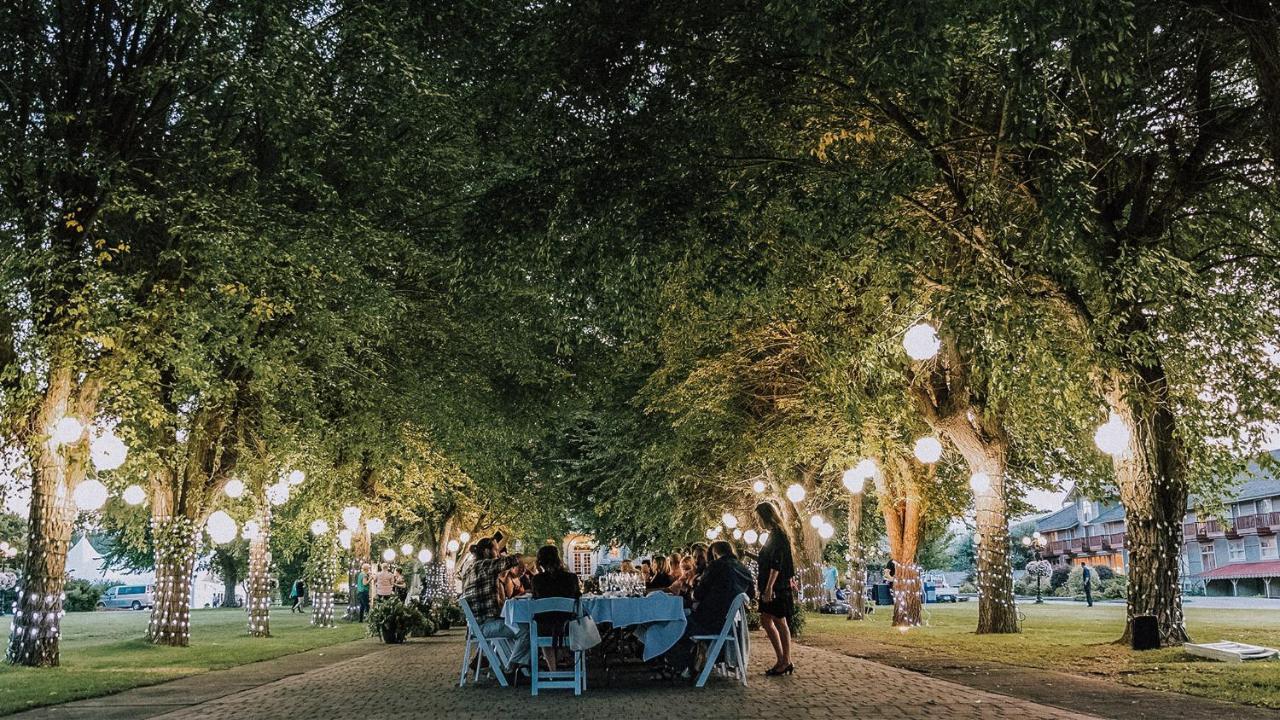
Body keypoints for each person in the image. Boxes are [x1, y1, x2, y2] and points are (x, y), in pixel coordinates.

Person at [667, 540, 754, 677]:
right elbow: (752, 595)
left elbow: (698, 594)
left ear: (714, 553)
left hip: (710, 621)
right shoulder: (744, 569)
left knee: (677, 623)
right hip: (731, 623)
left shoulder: (716, 566)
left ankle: (680, 666)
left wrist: (691, 592)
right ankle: (690, 665)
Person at [461, 537, 521, 669]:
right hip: (485, 625)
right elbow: (511, 560)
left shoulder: (470, 569)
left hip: (476, 625)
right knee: (526, 629)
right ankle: (514, 668)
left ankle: (512, 665)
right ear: (487, 551)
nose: (499, 553)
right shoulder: (484, 565)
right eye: (496, 550)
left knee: (516, 627)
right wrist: (521, 556)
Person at [756, 501, 796, 676]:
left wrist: (769, 588)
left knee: (779, 621)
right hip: (773, 584)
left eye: (758, 518)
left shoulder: (778, 535)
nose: (757, 522)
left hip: (777, 586)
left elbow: (776, 564)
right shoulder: (775, 535)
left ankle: (785, 660)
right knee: (769, 621)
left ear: (766, 517)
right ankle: (782, 659)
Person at [528, 544, 581, 671]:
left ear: (540, 562)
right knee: (559, 624)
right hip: (568, 628)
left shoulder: (537, 580)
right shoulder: (571, 578)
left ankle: (553, 670)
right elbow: (578, 597)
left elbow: (535, 598)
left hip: (544, 628)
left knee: (543, 625)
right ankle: (565, 658)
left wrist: (539, 572)